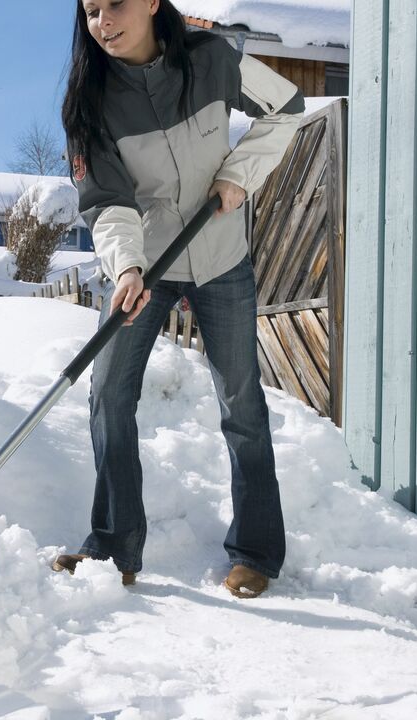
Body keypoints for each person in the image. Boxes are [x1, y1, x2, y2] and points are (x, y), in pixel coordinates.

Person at [51, 0, 304, 598]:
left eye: (114, 4)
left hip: (220, 253)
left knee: (241, 403)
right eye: (90, 11)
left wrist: (239, 173)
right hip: (149, 262)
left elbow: (287, 108)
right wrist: (127, 266)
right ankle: (112, 546)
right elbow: (107, 204)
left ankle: (257, 552)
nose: (102, 22)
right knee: (109, 391)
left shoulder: (212, 58)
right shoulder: (89, 105)